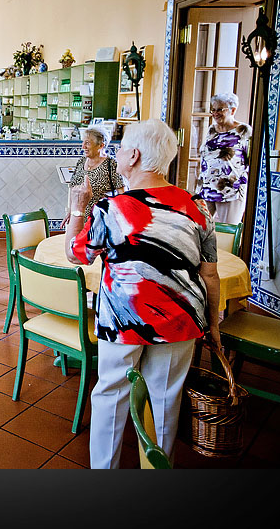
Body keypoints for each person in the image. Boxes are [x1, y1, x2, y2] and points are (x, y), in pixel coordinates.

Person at [64, 119, 221, 469]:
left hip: (124, 319)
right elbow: (210, 274)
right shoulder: (197, 206)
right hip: (181, 318)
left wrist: (78, 208)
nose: (117, 153)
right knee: (166, 399)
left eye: (120, 148)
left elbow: (76, 254)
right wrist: (214, 325)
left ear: (133, 155)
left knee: (111, 394)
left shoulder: (112, 208)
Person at [195, 92, 251, 224]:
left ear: (233, 110)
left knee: (227, 232)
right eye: (213, 110)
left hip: (230, 190)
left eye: (220, 109)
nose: (215, 113)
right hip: (207, 188)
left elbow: (251, 160)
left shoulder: (243, 130)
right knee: (200, 229)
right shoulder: (212, 130)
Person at [61, 125, 124, 227]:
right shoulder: (81, 161)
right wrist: (70, 210)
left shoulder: (111, 164)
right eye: (83, 142)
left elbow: (122, 193)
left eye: (88, 143)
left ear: (101, 145)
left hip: (100, 221)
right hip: (78, 218)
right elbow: (72, 187)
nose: (83, 147)